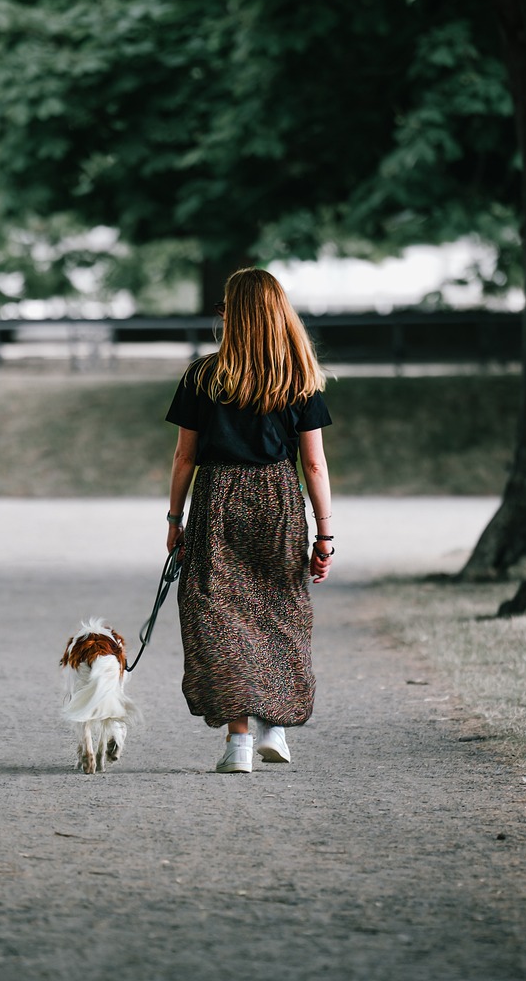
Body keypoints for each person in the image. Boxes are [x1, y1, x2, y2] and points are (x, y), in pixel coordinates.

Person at [164, 267, 334, 773]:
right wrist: (324, 535)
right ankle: (274, 728)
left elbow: (183, 458)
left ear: (231, 315)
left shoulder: (203, 375)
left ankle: (239, 742)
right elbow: (315, 464)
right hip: (278, 499)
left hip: (217, 498)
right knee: (280, 609)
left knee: (217, 613)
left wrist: (175, 518)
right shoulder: (299, 377)